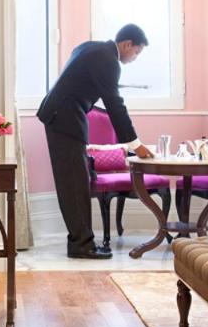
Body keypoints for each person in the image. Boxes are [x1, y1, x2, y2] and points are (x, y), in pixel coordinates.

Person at [37, 23, 153, 260]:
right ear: (127, 44)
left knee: (75, 182)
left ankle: (81, 241)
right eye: (137, 52)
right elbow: (115, 106)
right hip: (65, 119)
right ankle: (82, 245)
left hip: (60, 116)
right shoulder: (109, 61)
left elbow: (79, 79)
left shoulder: (90, 48)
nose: (135, 58)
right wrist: (135, 145)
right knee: (74, 184)